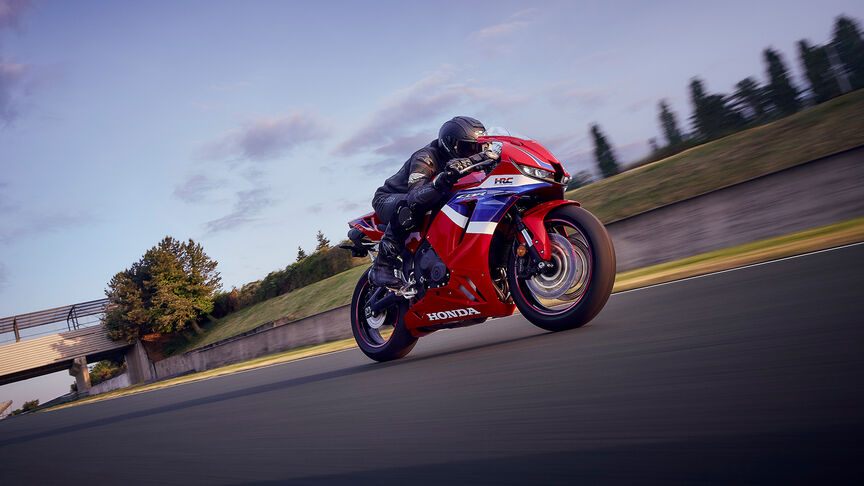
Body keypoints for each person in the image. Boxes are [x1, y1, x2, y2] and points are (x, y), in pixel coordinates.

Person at [368, 116, 488, 288]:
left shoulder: (470, 159)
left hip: (430, 197)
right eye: (466, 148)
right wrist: (443, 180)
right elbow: (414, 196)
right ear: (449, 143)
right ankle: (381, 267)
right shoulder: (425, 158)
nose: (470, 154)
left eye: (476, 148)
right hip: (388, 199)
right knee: (408, 208)